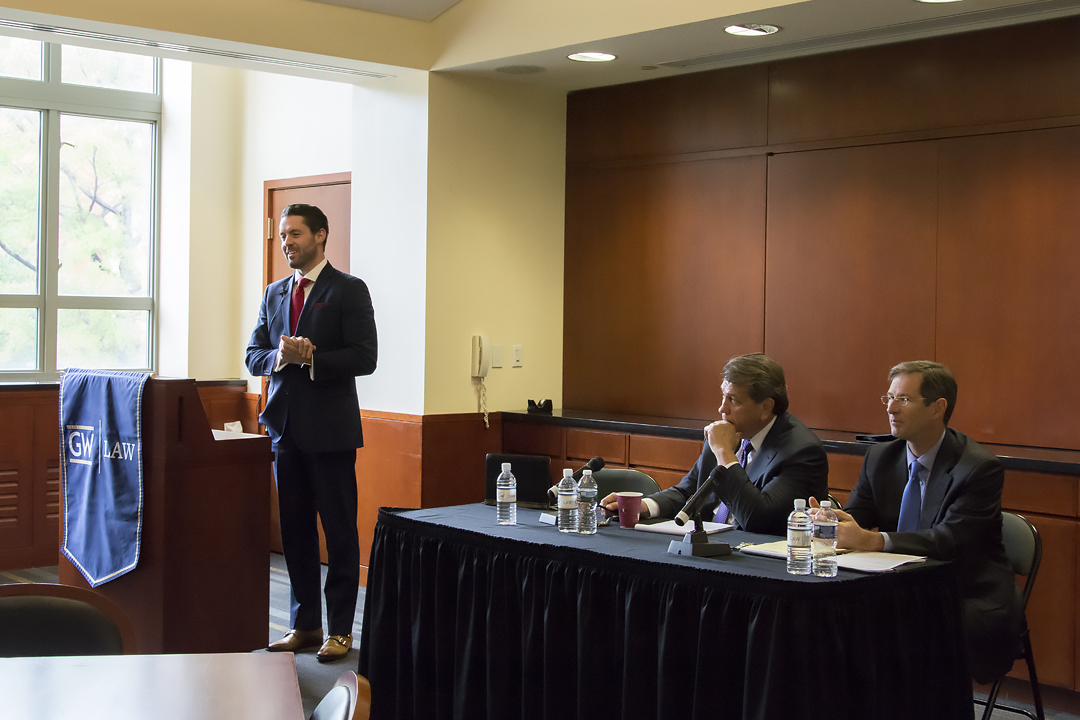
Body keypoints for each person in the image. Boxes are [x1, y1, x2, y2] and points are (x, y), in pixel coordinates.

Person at [824, 361, 1021, 683]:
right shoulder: (881, 457)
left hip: (965, 591)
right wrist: (833, 520)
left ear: (937, 408)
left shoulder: (978, 467)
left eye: (903, 399)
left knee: (889, 628)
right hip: (900, 587)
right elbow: (858, 515)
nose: (890, 408)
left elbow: (950, 539)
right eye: (888, 397)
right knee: (832, 616)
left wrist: (876, 541)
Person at [245, 203, 377, 662]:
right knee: (295, 531)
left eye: (295, 234)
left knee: (338, 533)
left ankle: (340, 630)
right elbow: (253, 354)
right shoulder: (274, 293)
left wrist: (313, 358)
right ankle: (304, 625)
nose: (287, 243)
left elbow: (365, 358)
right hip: (285, 431)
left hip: (332, 433)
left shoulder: (348, 290)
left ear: (321, 235)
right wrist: (280, 359)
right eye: (283, 235)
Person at [602, 353, 828, 534]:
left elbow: (758, 519)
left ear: (766, 407)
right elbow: (688, 492)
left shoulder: (802, 452)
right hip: (710, 548)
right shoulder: (727, 433)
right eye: (723, 396)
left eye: (733, 400)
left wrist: (724, 454)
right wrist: (645, 506)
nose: (722, 409)